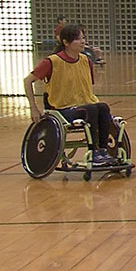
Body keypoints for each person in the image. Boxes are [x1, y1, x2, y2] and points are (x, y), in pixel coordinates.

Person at [23, 25, 117, 166]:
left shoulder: (86, 60)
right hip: (62, 109)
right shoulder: (52, 62)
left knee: (103, 107)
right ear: (66, 43)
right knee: (90, 109)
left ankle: (102, 149)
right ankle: (93, 153)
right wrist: (33, 108)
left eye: (83, 38)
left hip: (83, 104)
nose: (83, 42)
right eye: (78, 39)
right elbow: (27, 80)